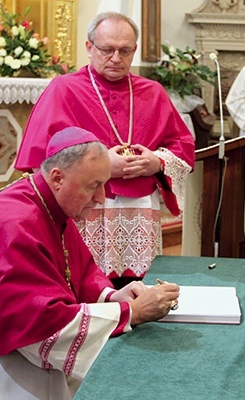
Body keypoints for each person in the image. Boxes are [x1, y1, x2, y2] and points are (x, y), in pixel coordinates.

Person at [0, 127, 180, 399]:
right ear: (58, 177)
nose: (100, 198)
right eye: (93, 186)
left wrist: (112, 296)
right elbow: (41, 325)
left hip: (12, 343)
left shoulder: (46, 203)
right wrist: (132, 312)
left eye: (103, 184)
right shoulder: (15, 226)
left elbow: (77, 273)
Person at [15, 12, 194, 289]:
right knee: (85, 283)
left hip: (139, 206)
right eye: (107, 49)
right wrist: (101, 165)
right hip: (86, 205)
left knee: (138, 284)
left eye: (124, 51)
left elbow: (182, 145)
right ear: (89, 47)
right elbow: (41, 161)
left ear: (134, 51)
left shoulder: (153, 91)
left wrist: (156, 162)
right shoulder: (63, 90)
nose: (115, 58)